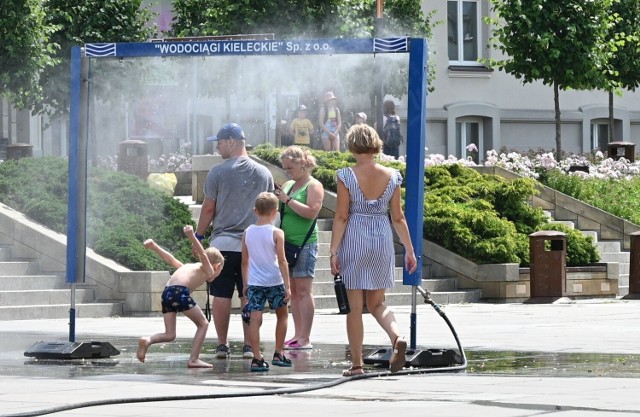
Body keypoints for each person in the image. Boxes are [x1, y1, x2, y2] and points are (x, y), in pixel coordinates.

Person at [329, 124, 418, 376]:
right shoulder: (392, 175)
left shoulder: (346, 175)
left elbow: (342, 216)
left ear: (352, 145)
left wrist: (334, 250)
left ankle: (357, 365)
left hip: (355, 237)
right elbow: (398, 218)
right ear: (376, 144)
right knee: (378, 303)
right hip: (381, 236)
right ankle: (397, 336)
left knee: (354, 308)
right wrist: (409, 250)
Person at [196, 122, 275, 360]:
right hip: (254, 246)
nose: (218, 147)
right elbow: (271, 211)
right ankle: (250, 345)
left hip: (223, 247)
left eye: (219, 142)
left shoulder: (218, 172)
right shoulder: (264, 173)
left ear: (231, 142)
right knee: (248, 295)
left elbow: (209, 209)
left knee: (221, 295)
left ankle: (222, 345)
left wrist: (199, 237)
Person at [136, 225, 224, 368]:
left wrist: (155, 247)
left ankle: (148, 340)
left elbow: (171, 260)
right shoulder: (208, 269)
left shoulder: (187, 266)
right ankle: (194, 359)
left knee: (170, 334)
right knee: (203, 324)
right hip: (179, 292)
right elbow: (203, 255)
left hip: (167, 292)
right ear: (217, 266)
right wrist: (191, 236)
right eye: (220, 271)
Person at [276, 146, 324, 350]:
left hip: (305, 243)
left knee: (304, 291)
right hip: (286, 244)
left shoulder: (314, 186)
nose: (287, 172)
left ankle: (306, 337)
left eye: (290, 167)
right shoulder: (288, 184)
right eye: (285, 168)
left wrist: (287, 200)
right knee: (293, 292)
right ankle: (297, 335)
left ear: (302, 163)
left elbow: (312, 212)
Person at [242, 192, 292, 371]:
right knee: (282, 315)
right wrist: (287, 285)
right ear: (275, 212)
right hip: (274, 281)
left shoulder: (247, 232)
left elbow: (245, 261)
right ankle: (279, 353)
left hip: (255, 282)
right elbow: (282, 260)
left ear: (255, 210)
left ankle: (257, 358)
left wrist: (245, 283)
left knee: (255, 319)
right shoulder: (277, 233)